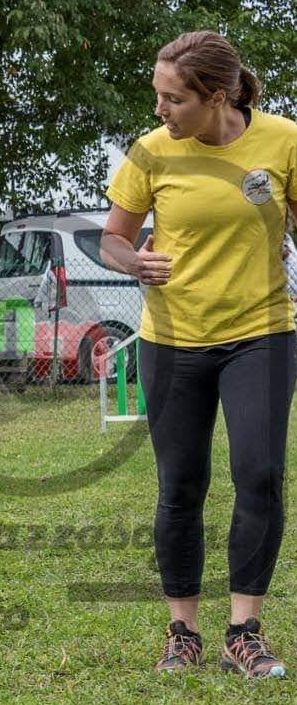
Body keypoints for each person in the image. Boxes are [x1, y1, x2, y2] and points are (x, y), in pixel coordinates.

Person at [100, 30, 297, 678]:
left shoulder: (281, 140)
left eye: (173, 99)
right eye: (157, 96)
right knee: (180, 484)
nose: (159, 110)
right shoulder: (151, 151)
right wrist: (135, 262)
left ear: (217, 97)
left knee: (259, 472)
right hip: (172, 340)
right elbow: (112, 241)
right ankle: (181, 630)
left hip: (260, 333)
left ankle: (242, 630)